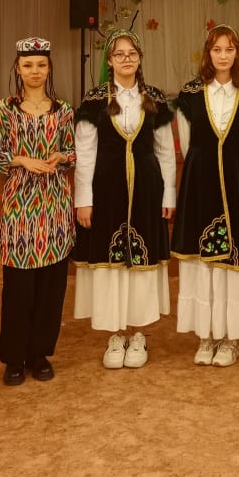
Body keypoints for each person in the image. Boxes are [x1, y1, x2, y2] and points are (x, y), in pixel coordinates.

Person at [73, 29, 176, 369]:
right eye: (119, 54)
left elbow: (165, 152)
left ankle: (139, 333)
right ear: (110, 61)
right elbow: (85, 153)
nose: (126, 59)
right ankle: (115, 335)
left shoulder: (154, 98)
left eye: (132, 53)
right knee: (111, 262)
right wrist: (83, 199)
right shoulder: (94, 100)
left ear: (140, 58)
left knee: (142, 262)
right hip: (106, 191)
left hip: (147, 190)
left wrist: (169, 194)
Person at [172, 25, 239, 366]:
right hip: (200, 184)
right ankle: (206, 335)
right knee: (203, 262)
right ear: (207, 53)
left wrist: (233, 173)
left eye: (229, 49)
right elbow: (188, 143)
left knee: (234, 263)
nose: (223, 55)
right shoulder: (190, 94)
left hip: (236, 187)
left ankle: (231, 338)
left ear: (237, 53)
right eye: (216, 49)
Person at [0, 37, 77, 386]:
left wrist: (62, 156)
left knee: (51, 287)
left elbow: (74, 150)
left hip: (55, 205)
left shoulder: (64, 110)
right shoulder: (5, 109)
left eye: (41, 65)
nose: (35, 71)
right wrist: (22, 159)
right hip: (19, 206)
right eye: (28, 65)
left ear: (49, 68)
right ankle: (14, 357)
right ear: (18, 69)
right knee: (18, 287)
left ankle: (40, 354)